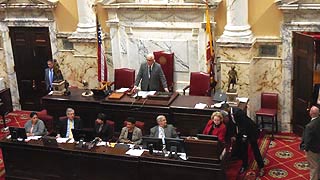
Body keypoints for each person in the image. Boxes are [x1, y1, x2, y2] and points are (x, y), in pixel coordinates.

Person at [221, 103, 264, 176]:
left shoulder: (238, 112)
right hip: (242, 131)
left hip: (251, 130)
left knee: (255, 148)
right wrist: (233, 135)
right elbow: (232, 125)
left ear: (227, 109)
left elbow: (245, 125)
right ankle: (244, 165)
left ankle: (261, 166)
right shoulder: (229, 115)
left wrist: (245, 136)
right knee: (243, 148)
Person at [300, 106, 320, 180]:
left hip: (313, 150)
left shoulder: (309, 126)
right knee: (318, 164)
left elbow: (307, 140)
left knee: (313, 166)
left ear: (310, 113)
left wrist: (305, 148)